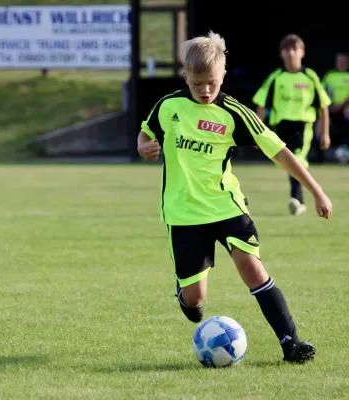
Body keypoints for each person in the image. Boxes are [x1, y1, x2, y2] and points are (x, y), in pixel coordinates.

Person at [137, 31, 332, 363]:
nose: (206, 90)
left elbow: (281, 152)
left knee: (252, 268)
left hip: (226, 206)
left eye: (212, 82)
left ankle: (291, 343)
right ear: (185, 76)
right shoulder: (169, 106)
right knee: (195, 296)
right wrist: (144, 146)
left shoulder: (234, 113)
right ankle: (188, 300)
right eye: (197, 83)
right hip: (183, 214)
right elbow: (146, 132)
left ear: (223, 76)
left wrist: (317, 191)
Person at [252, 34, 331, 216]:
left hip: (302, 127)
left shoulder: (310, 77)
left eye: (294, 49)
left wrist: (325, 133)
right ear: (281, 54)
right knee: (288, 164)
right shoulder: (276, 77)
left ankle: (296, 198)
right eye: (286, 50)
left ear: (302, 52)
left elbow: (323, 107)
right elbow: (262, 105)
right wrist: (255, 132)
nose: (290, 53)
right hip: (281, 127)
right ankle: (300, 201)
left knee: (296, 159)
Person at [322, 51, 349, 150]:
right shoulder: (329, 76)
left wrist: (343, 104)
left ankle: (346, 145)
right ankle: (320, 152)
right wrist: (330, 104)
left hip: (345, 107)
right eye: (339, 61)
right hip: (331, 108)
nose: (341, 63)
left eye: (344, 61)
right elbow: (322, 92)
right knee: (321, 120)